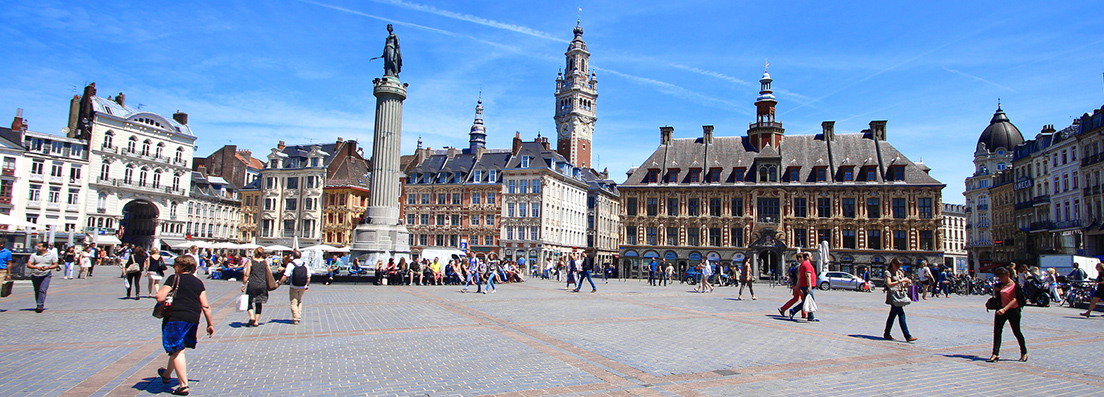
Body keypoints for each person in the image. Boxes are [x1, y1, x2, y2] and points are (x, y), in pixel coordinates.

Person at [155, 255, 214, 396]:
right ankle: (167, 375)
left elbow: (159, 297)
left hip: (175, 318)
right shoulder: (198, 282)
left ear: (180, 266)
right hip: (193, 318)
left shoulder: (174, 278)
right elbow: (205, 305)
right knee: (178, 348)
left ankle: (183, 386)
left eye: (175, 265)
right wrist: (210, 324)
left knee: (177, 350)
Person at [989, 266, 1028, 362]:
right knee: (997, 332)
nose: (1000, 279)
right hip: (1000, 310)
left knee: (1016, 332)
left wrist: (1004, 309)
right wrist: (996, 290)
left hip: (1012, 311)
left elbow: (1015, 300)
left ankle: (1024, 352)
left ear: (1008, 275)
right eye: (999, 277)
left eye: (1002, 277)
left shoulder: (1015, 285)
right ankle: (995, 354)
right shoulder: (1000, 285)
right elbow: (997, 294)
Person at [883, 259, 917, 342]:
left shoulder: (900, 272)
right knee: (901, 314)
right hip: (894, 296)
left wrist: (907, 282)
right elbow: (889, 284)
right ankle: (907, 336)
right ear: (893, 264)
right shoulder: (888, 272)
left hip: (900, 295)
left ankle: (887, 333)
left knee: (892, 315)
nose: (898, 267)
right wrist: (901, 280)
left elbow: (902, 284)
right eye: (897, 265)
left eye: (900, 266)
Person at [241, 247, 271, 327]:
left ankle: (251, 317)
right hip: (262, 284)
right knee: (259, 303)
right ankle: (256, 321)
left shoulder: (250, 261)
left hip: (252, 284)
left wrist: (244, 284)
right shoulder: (265, 262)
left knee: (249, 301)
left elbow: (247, 274)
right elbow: (269, 273)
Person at [278, 250, 309, 325]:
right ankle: (299, 315)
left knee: (293, 301)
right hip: (302, 285)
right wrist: (307, 285)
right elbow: (308, 276)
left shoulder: (291, 264)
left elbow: (286, 275)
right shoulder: (305, 264)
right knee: (299, 300)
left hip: (294, 285)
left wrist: (279, 282)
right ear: (300, 256)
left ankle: (296, 317)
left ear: (293, 256)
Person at [27, 242, 59, 313]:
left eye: (39, 247)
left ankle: (40, 305)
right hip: (35, 274)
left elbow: (55, 264)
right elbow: (29, 264)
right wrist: (36, 267)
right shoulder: (34, 255)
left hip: (46, 274)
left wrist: (48, 267)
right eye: (37, 246)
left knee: (42, 290)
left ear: (44, 248)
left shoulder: (51, 255)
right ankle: (38, 303)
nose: (37, 248)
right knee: (37, 290)